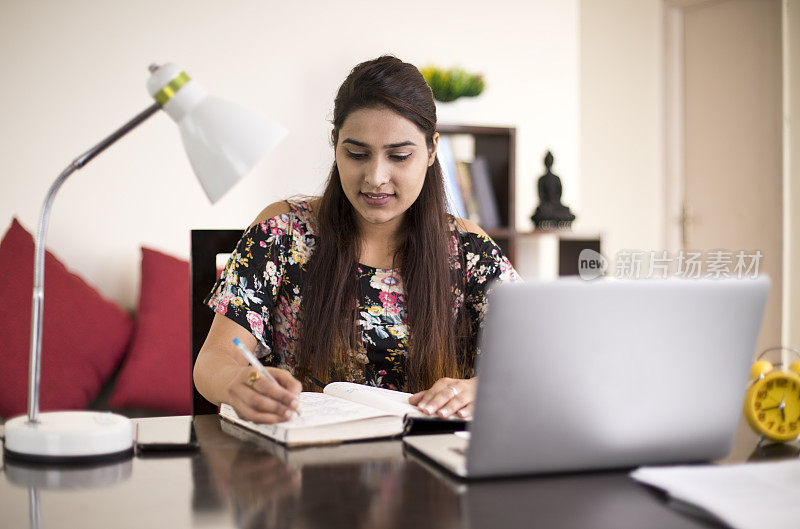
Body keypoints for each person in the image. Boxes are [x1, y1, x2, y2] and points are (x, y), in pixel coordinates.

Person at [193, 55, 519, 425]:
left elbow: (542, 362)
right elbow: (214, 360)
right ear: (335, 146)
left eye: (399, 155)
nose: (376, 177)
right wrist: (238, 381)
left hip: (426, 466)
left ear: (431, 150)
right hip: (303, 464)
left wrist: (485, 387)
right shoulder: (282, 232)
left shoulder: (468, 250)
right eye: (357, 154)